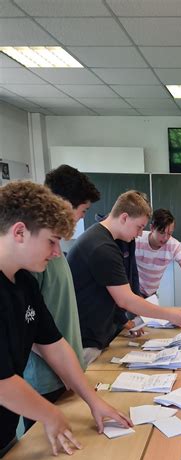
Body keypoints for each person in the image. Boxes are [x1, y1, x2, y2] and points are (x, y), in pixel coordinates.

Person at [0, 181, 132, 457]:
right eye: (52, 241)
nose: (57, 253)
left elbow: (55, 345)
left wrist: (93, 401)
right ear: (20, 232)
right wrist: (48, 413)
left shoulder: (24, 282)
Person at [68, 191, 181, 365]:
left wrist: (122, 321)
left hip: (98, 333)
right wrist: (170, 315)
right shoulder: (102, 248)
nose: (140, 233)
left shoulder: (108, 239)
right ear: (124, 218)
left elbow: (116, 288)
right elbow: (125, 300)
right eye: (139, 227)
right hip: (86, 340)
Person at [22, 165, 100, 432]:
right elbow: (32, 337)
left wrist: (84, 389)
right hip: (44, 381)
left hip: (65, 375)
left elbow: (48, 333)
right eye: (83, 211)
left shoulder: (49, 254)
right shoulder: (27, 265)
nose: (57, 251)